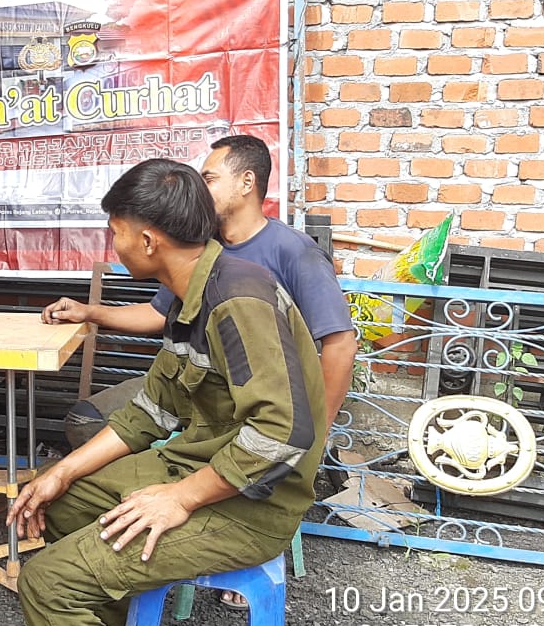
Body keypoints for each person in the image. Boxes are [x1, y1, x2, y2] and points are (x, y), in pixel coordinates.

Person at [8, 159, 326, 626]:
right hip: (203, 466)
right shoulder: (194, 294)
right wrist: (61, 471)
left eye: (116, 232)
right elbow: (147, 413)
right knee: (61, 498)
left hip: (253, 501)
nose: (113, 244)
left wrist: (179, 497)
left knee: (48, 582)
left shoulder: (237, 296)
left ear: (147, 241)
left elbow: (284, 433)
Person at [47, 133, 357, 453]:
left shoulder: (293, 251)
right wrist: (90, 312)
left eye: (209, 178)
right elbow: (158, 313)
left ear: (246, 182)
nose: (200, 188)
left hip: (250, 400)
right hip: (190, 385)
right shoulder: (203, 246)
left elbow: (340, 345)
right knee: (86, 419)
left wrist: (318, 429)